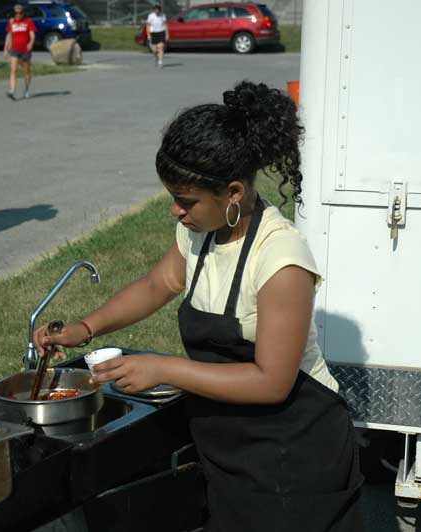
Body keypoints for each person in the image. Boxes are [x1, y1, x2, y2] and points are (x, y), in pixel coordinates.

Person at [34, 81, 365, 531]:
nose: (175, 211)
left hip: (294, 454)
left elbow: (271, 382)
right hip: (231, 446)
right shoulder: (200, 233)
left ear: (232, 193)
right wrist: (85, 327)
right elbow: (158, 283)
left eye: (185, 200)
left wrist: (163, 368)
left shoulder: (281, 260)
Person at [4, 4, 36, 100]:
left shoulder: (28, 22)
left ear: (23, 13)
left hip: (25, 50)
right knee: (13, 70)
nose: (18, 15)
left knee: (26, 71)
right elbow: (9, 35)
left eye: (20, 13)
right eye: (16, 13)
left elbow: (32, 34)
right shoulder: (11, 22)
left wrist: (30, 43)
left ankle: (26, 90)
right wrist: (6, 48)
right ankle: (12, 91)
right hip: (15, 49)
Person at [145, 4, 168, 68]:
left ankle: (160, 62)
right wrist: (148, 35)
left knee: (160, 48)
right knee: (154, 50)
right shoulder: (150, 16)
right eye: (156, 10)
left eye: (158, 10)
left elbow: (165, 25)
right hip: (153, 33)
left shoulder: (163, 15)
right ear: (154, 10)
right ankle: (156, 58)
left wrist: (167, 34)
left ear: (160, 10)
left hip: (161, 33)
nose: (157, 11)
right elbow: (148, 25)